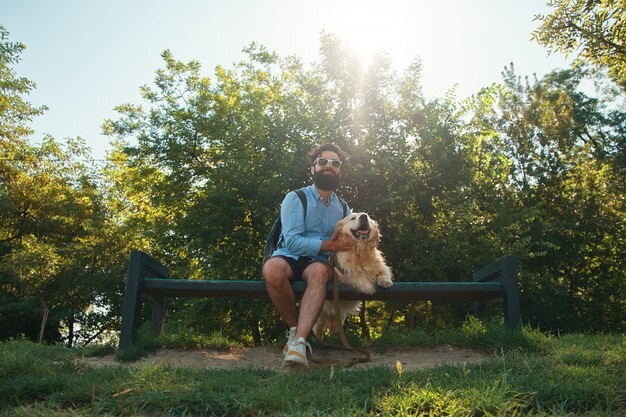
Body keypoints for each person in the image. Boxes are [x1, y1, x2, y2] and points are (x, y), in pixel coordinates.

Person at [262, 143, 354, 367]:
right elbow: (292, 241)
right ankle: (296, 334)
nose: (328, 167)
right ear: (313, 168)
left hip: (320, 262)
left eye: (335, 163)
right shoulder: (295, 198)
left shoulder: (344, 208)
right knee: (272, 269)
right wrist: (331, 244)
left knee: (319, 272)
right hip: (289, 256)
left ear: (340, 170)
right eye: (323, 162)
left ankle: (299, 342)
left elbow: (349, 243)